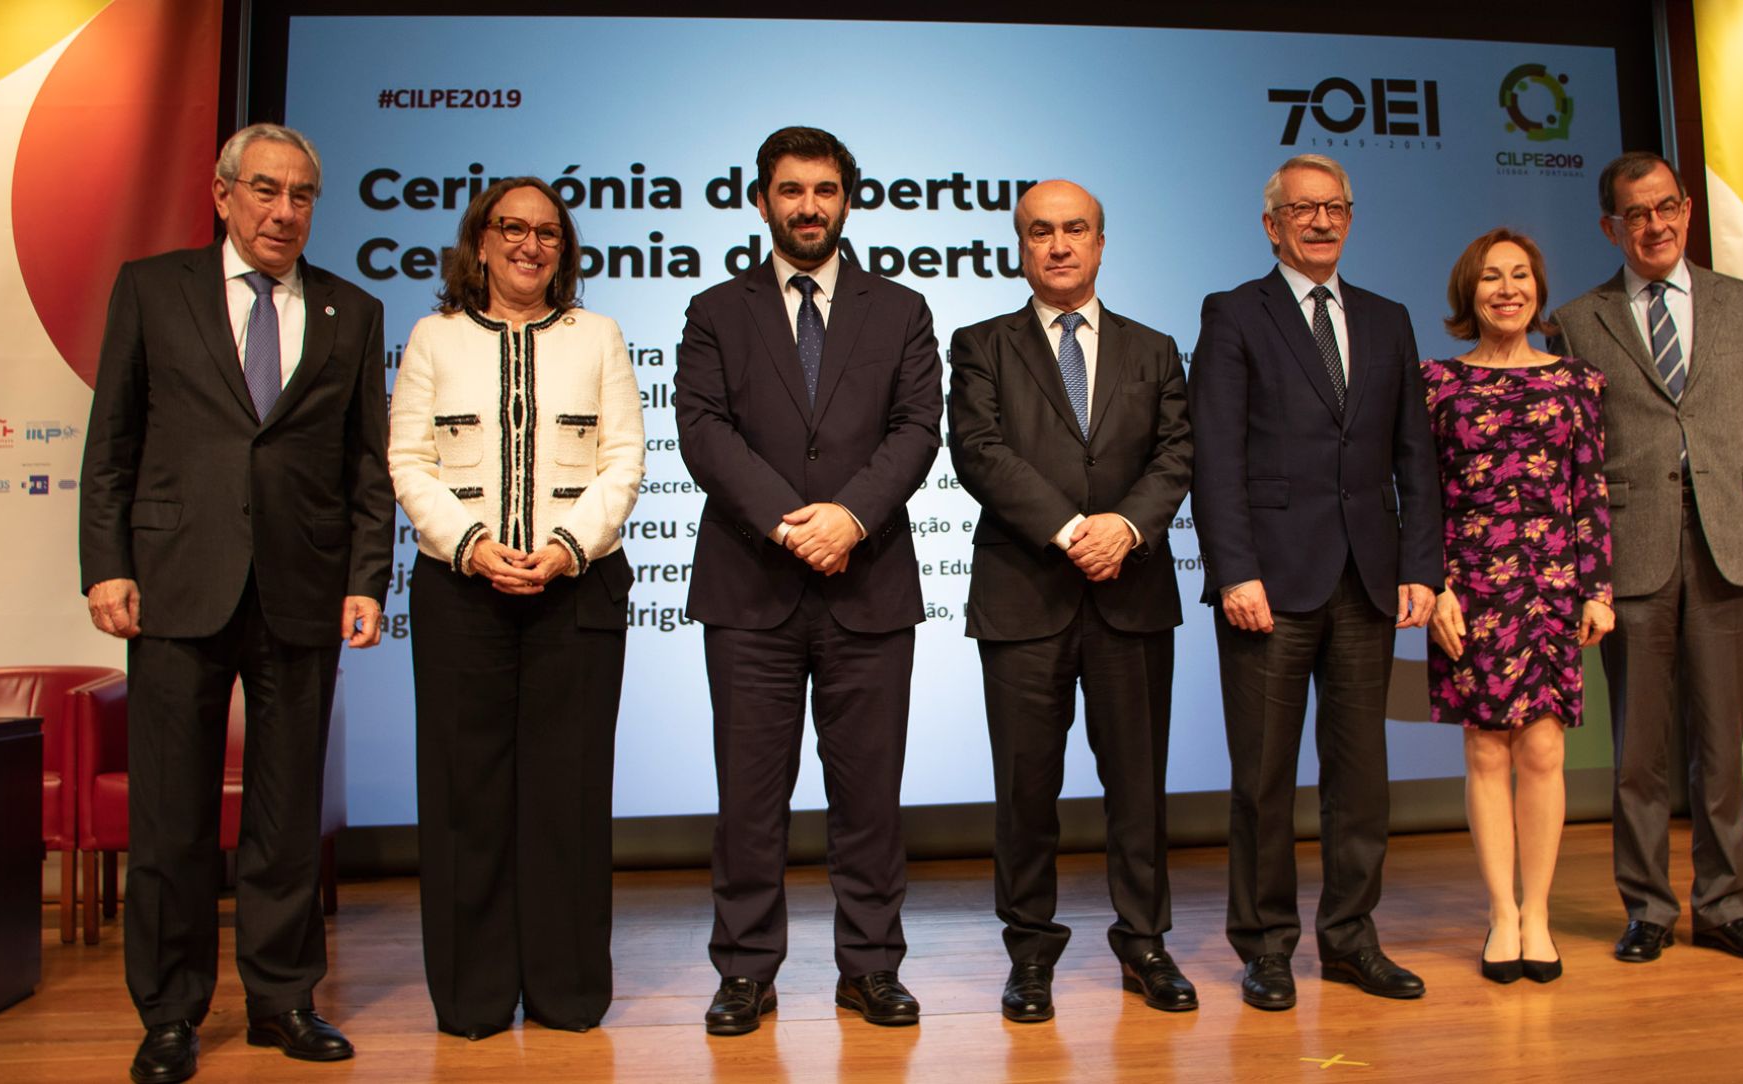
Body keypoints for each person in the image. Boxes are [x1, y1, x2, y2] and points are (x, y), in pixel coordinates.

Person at [79, 122, 390, 1084]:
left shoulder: (352, 308)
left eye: (301, 195)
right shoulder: (152, 288)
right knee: (171, 816)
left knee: (287, 812)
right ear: (222, 195)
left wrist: (364, 579)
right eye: (265, 190)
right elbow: (113, 442)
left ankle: (283, 999)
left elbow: (365, 467)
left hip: (302, 587)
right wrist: (106, 564)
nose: (283, 211)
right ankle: (170, 1014)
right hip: (175, 583)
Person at [675, 126, 942, 1034]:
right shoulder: (715, 310)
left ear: (848, 201)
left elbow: (916, 430)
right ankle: (746, 969)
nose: (808, 207)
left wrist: (850, 519)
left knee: (869, 796)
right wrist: (797, 522)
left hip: (868, 583)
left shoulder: (901, 309)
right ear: (761, 202)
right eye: (790, 191)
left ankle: (869, 966)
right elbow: (704, 431)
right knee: (750, 798)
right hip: (752, 586)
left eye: (825, 190)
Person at [387, 176, 644, 1037]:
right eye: (513, 229)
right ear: (482, 241)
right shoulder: (433, 337)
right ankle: (472, 1000)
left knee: (567, 800)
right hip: (464, 593)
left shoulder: (598, 336)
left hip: (577, 593)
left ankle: (569, 995)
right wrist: (471, 545)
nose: (530, 245)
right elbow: (409, 461)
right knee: (467, 800)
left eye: (547, 232)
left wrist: (568, 546)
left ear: (563, 249)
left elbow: (624, 461)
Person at [1189, 153, 1443, 1008]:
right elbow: (1214, 456)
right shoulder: (1233, 314)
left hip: (1368, 580)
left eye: (1335, 207)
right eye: (1303, 210)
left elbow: (1416, 455)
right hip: (1268, 585)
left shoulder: (1388, 318)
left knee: (1359, 776)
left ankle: (1349, 940)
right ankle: (1265, 947)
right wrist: (1234, 571)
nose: (1322, 221)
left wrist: (1421, 567)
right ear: (1272, 225)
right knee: (1263, 779)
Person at [946, 180, 1196, 1022]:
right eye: (1041, 231)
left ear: (1100, 242)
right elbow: (979, 451)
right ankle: (1029, 954)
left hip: (1131, 592)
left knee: (1138, 785)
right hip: (1024, 594)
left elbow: (1176, 452)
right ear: (1020, 246)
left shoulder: (1155, 348)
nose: (1058, 245)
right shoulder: (980, 345)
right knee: (1025, 791)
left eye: (1074, 229)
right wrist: (1068, 530)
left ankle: (1146, 944)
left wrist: (1123, 528)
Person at [1549, 151, 1743, 965]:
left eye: (1665, 208)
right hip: (1633, 546)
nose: (1653, 226)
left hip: (1731, 536)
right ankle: (1648, 909)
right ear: (1609, 227)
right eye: (1635, 214)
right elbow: (1575, 447)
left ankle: (1725, 906)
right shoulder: (1580, 322)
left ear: (1687, 211)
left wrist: (1723, 480)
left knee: (1722, 742)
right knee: (1641, 746)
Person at [1421, 228, 1614, 984]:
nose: (1509, 289)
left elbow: (1588, 489)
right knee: (1485, 750)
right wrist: (1434, 584)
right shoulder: (1435, 383)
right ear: (1469, 292)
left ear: (1538, 289)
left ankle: (1540, 913)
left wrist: (1597, 587)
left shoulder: (1579, 382)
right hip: (1470, 587)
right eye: (1493, 278)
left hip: (1552, 585)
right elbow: (1420, 492)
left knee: (1543, 751)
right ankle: (1501, 913)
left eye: (1522, 276)